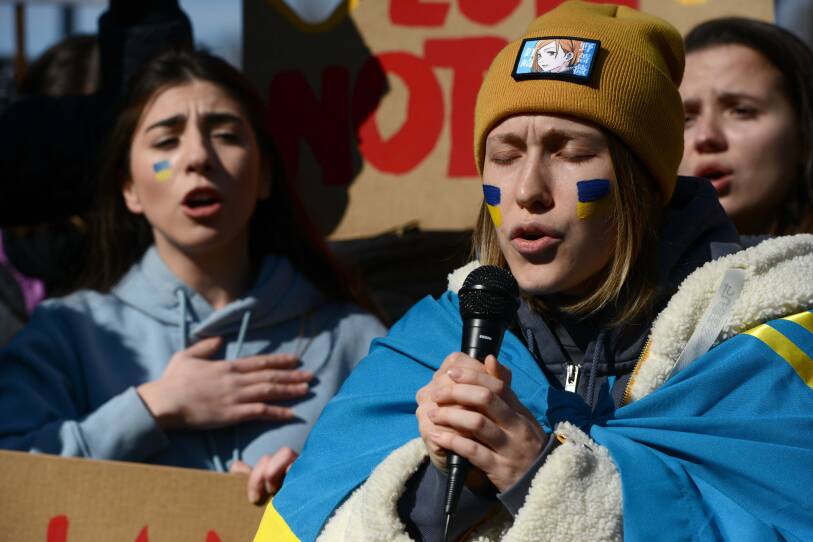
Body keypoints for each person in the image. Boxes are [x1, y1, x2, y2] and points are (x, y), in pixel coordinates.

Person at [256, 3, 813, 541]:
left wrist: (544, 477)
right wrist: (441, 489)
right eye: (504, 154)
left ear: (642, 183)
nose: (528, 191)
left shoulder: (769, 338)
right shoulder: (427, 344)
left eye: (568, 151)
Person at [0, 49, 386, 505]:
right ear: (128, 188)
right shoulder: (64, 335)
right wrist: (152, 407)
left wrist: (315, 496)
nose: (199, 156)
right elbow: (14, 484)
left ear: (264, 175)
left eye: (225, 135)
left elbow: (416, 497)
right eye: (166, 142)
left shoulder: (355, 340)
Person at [678, 17, 813, 238]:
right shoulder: (625, 269)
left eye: (741, 111)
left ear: (804, 133)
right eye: (685, 119)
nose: (705, 137)